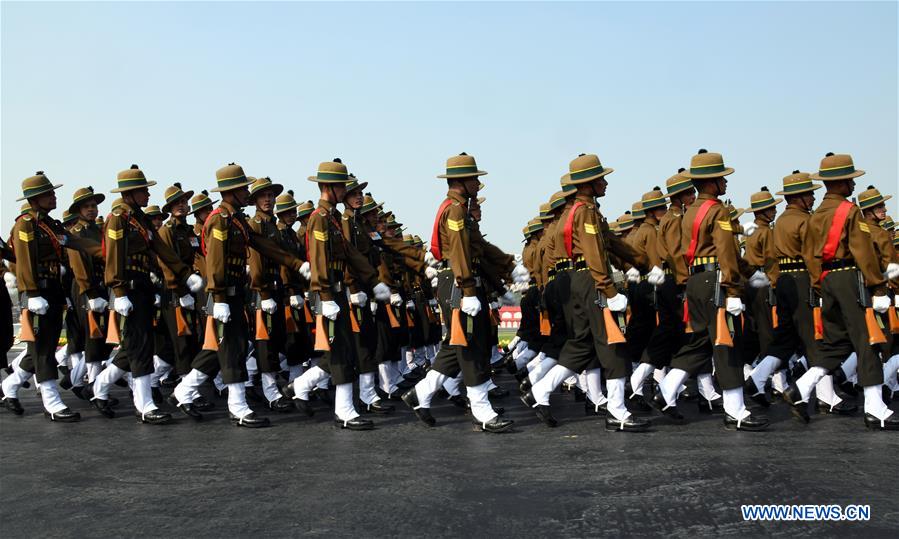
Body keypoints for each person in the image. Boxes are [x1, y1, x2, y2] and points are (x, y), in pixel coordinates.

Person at [653, 149, 769, 431]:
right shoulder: (718, 210)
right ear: (710, 182)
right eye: (721, 178)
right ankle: (735, 409)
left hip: (697, 281)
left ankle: (666, 389)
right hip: (716, 281)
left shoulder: (689, 212)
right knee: (727, 343)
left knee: (700, 343)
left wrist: (749, 273)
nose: (725, 182)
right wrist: (733, 290)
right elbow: (727, 251)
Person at [403, 153, 514, 433]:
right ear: (461, 182)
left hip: (459, 280)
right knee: (471, 345)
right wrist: (468, 289)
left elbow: (479, 248)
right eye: (474, 178)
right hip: (457, 282)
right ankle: (481, 409)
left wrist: (508, 267)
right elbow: (461, 253)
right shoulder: (454, 210)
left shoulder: (460, 210)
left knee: (457, 345)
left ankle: (421, 394)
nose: (477, 183)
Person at [785, 156, 897, 431]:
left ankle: (801, 388)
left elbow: (810, 255)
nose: (853, 184)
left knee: (836, 343)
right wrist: (878, 287)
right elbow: (863, 251)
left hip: (827, 280)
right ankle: (875, 409)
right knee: (869, 339)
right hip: (850, 277)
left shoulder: (815, 215)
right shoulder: (850, 211)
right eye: (850, 180)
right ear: (841, 183)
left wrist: (819, 284)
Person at [90, 165, 204, 424]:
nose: (148, 194)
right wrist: (119, 291)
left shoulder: (139, 219)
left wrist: (186, 274)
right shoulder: (118, 217)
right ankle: (144, 405)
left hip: (141, 287)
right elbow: (113, 255)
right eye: (143, 190)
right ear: (129, 194)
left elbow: (161, 249)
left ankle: (99, 387)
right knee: (139, 346)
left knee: (137, 345)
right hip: (128, 288)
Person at [286, 159, 391, 430]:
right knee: (341, 350)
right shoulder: (319, 218)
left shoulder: (331, 218)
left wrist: (373, 281)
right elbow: (319, 259)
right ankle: (343, 410)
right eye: (342, 186)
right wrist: (326, 296)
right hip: (328, 293)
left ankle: (301, 385)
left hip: (336, 291)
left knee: (341, 348)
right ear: (328, 187)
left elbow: (350, 254)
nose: (345, 190)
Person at [2, 172, 102, 421]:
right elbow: (24, 261)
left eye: (52, 193)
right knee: (43, 350)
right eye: (48, 194)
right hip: (37, 293)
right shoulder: (26, 224)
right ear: (34, 199)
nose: (54, 196)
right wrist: (32, 293)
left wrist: (109, 253)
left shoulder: (49, 224)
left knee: (41, 347)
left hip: (53, 291)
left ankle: (10, 386)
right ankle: (52, 403)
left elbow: (76, 242)